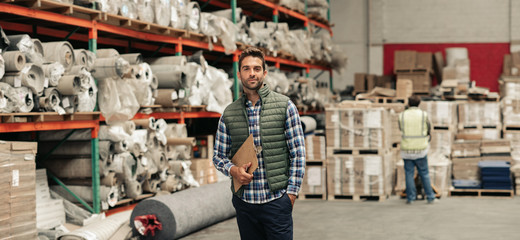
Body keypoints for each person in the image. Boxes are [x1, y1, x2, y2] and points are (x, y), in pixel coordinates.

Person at [212, 47, 306, 239]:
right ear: (239, 74)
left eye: (256, 68)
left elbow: (298, 153)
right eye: (246, 69)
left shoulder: (285, 106)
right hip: (245, 203)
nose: (252, 73)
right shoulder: (229, 114)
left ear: (264, 72)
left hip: (276, 201)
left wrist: (291, 196)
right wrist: (233, 170)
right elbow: (218, 156)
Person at [398, 95, 436, 204]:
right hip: (421, 148)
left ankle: (411, 198)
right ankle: (430, 196)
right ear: (419, 103)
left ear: (408, 103)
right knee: (424, 173)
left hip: (407, 149)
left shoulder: (402, 115)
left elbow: (400, 128)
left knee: (409, 173)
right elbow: (429, 128)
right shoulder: (424, 115)